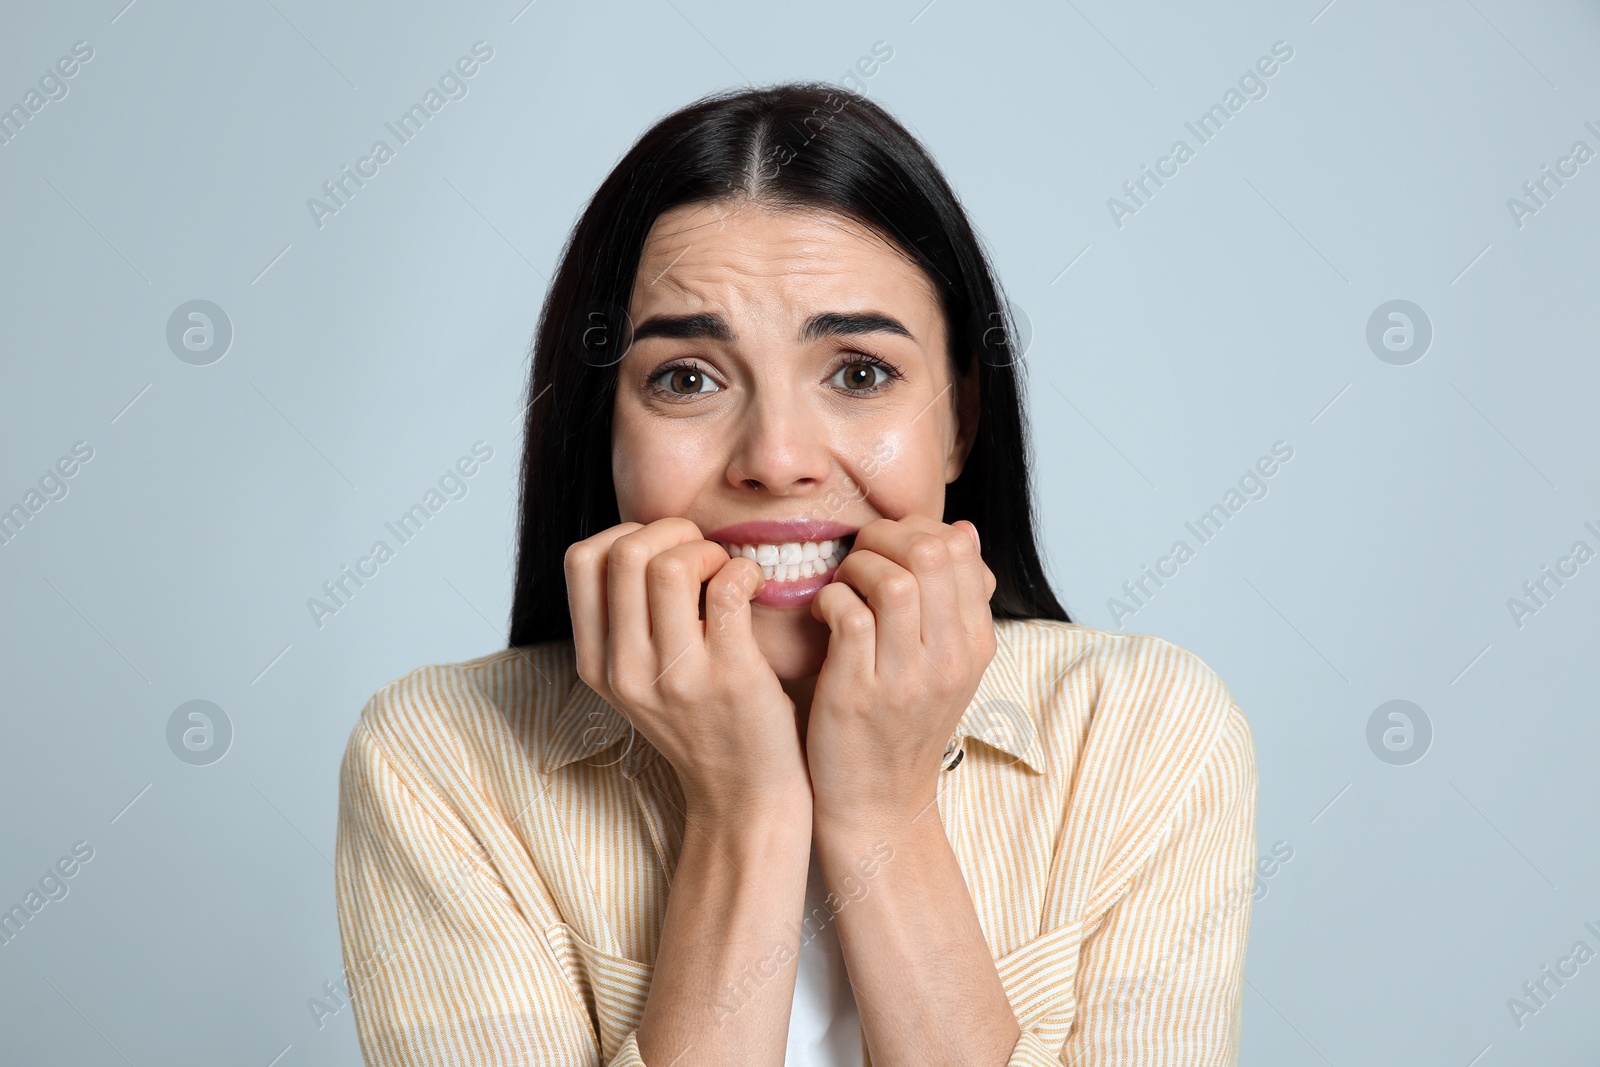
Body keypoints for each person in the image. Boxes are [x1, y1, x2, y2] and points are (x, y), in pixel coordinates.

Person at [334, 81, 1257, 1067]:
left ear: (962, 420)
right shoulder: (441, 760)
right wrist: (749, 813)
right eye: (686, 377)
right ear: (603, 432)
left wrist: (881, 810)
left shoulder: (1143, 733)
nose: (775, 458)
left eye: (858, 372)